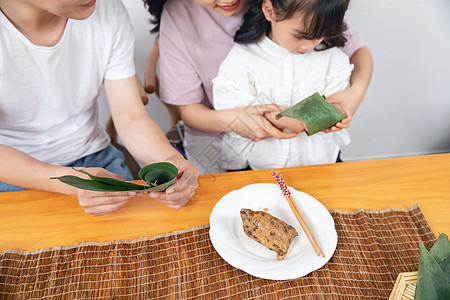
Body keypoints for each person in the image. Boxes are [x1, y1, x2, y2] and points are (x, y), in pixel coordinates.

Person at [0, 0, 199, 216]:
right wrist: (71, 183)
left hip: (95, 158)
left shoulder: (106, 10)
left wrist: (171, 161)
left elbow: (130, 116)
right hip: (12, 173)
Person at [144, 0, 373, 174]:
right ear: (268, 12)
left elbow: (356, 52)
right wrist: (245, 120)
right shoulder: (237, 55)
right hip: (229, 147)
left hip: (312, 159)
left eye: (316, 37)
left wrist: (353, 95)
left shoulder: (302, 11)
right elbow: (190, 112)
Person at [214, 0, 353, 170]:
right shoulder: (242, 58)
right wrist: (283, 120)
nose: (309, 46)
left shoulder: (333, 59)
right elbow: (231, 109)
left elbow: (333, 103)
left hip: (318, 164)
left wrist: (337, 113)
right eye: (300, 35)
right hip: (254, 167)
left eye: (320, 35)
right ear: (269, 11)